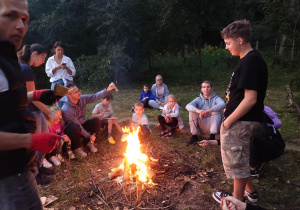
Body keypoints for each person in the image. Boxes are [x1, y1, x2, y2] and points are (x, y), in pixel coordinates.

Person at [0, 0, 61, 208]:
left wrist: (36, 94)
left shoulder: (7, 59)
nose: (20, 26)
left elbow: (6, 100)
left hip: (20, 167)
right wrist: (31, 140)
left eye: (24, 19)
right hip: (7, 178)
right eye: (10, 16)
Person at [212, 20, 268, 204]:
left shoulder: (251, 61)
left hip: (240, 123)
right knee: (242, 159)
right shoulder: (248, 60)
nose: (226, 47)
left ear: (240, 40)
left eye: (228, 43)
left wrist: (228, 122)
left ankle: (235, 203)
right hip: (243, 122)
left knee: (237, 164)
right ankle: (250, 193)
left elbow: (250, 99)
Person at [18, 44, 57, 178]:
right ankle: (34, 174)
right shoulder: (26, 69)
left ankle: (38, 167)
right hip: (30, 111)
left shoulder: (25, 68)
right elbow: (32, 96)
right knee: (36, 143)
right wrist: (49, 112)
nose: (43, 61)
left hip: (34, 111)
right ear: (35, 54)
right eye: (43, 57)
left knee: (44, 138)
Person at [58, 83, 118, 158]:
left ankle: (89, 142)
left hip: (81, 125)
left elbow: (95, 96)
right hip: (72, 130)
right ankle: (77, 148)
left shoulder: (82, 99)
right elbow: (78, 126)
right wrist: (89, 135)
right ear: (69, 95)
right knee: (75, 127)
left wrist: (107, 90)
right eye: (76, 92)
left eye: (78, 90)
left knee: (96, 121)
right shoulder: (67, 109)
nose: (79, 93)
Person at [185, 80, 225, 146]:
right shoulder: (198, 99)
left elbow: (222, 104)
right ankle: (194, 136)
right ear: (201, 89)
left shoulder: (216, 98)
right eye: (204, 87)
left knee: (217, 111)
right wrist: (199, 111)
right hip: (202, 124)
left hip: (213, 125)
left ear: (211, 89)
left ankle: (212, 136)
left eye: (208, 87)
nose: (206, 89)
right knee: (192, 111)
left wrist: (208, 111)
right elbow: (188, 106)